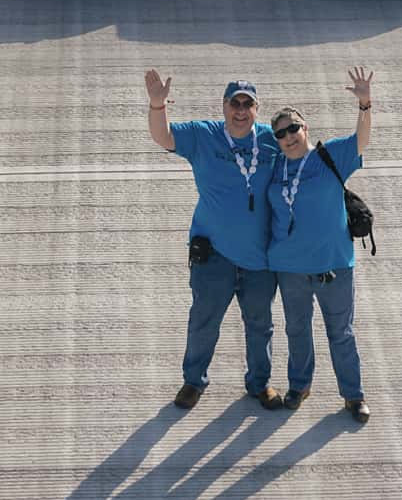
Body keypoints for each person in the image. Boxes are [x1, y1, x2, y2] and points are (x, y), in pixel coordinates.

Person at [145, 70, 284, 411]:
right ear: (223, 106)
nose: (240, 110)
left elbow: (303, 163)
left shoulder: (271, 140)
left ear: (257, 108)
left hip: (260, 258)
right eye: (234, 103)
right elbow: (163, 137)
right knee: (203, 322)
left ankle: (260, 384)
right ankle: (193, 381)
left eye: (247, 104)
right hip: (214, 256)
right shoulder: (203, 135)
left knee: (260, 324)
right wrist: (157, 104)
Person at [266, 66, 373, 423]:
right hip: (290, 267)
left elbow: (362, 139)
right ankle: (299, 386)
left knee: (340, 331)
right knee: (296, 329)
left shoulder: (331, 156)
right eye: (280, 133)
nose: (288, 136)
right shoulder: (274, 167)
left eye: (293, 128)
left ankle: (353, 395)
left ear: (305, 128)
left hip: (334, 265)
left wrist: (365, 104)